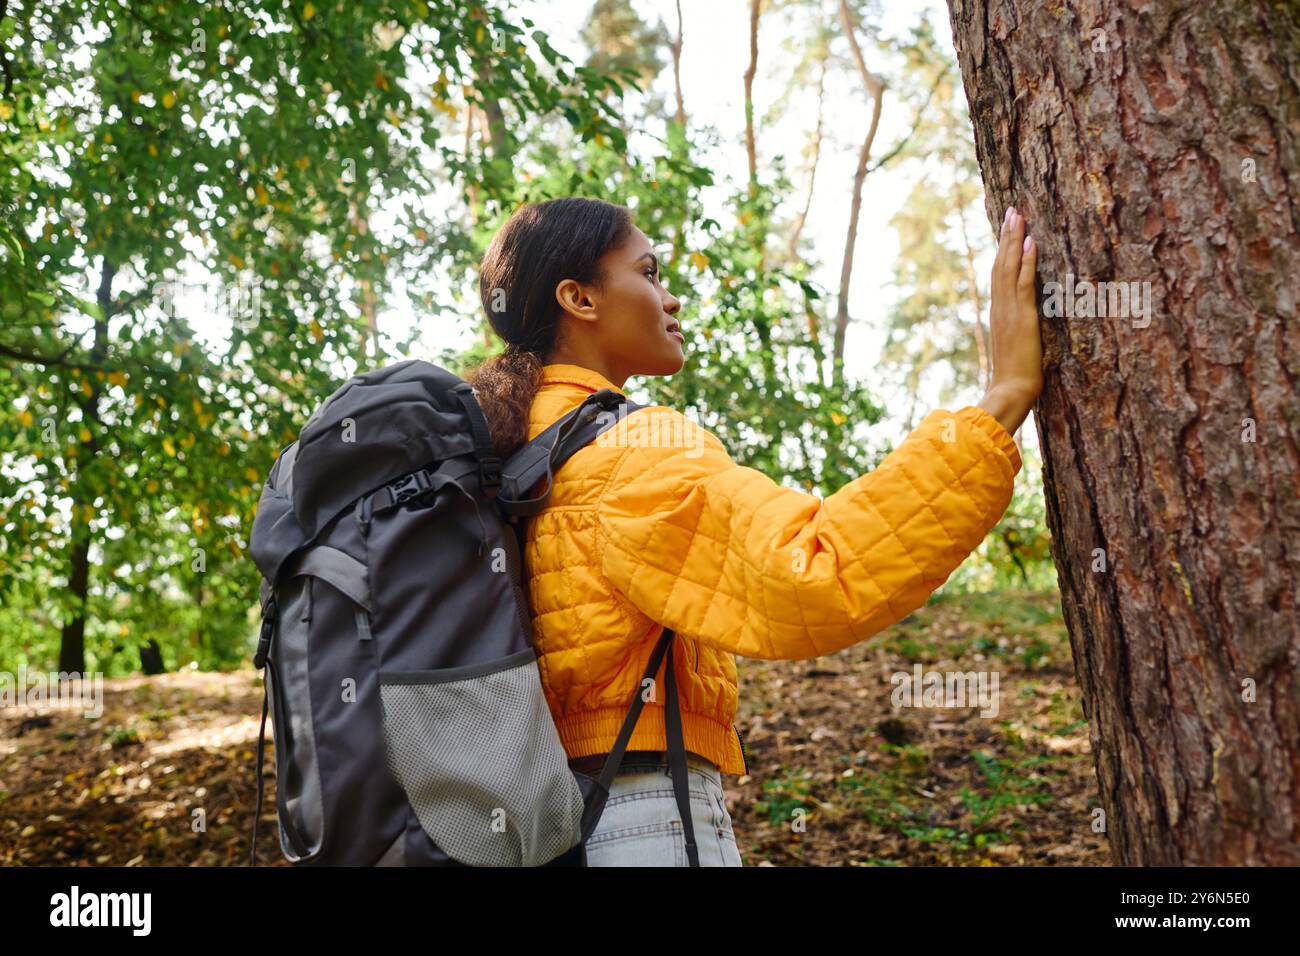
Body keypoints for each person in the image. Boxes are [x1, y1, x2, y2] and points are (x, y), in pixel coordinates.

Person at [466, 196, 1042, 866]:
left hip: (519, 824)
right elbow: (815, 571)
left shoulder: (502, 446)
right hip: (635, 816)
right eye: (649, 273)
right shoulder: (628, 449)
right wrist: (1003, 397)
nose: (671, 298)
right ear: (580, 299)